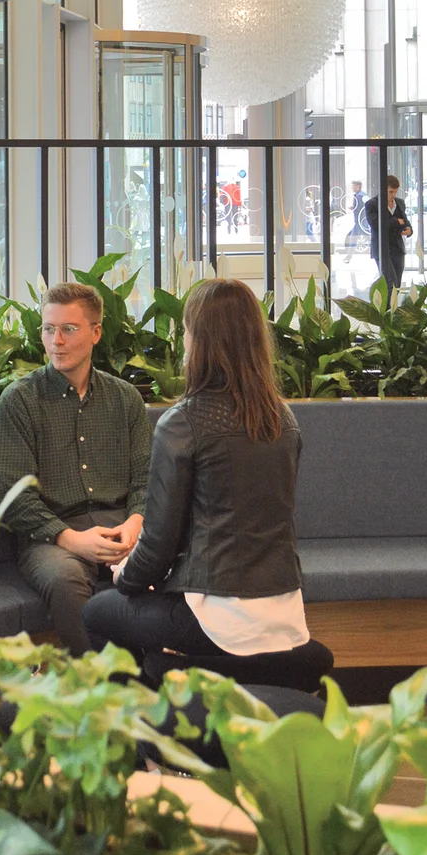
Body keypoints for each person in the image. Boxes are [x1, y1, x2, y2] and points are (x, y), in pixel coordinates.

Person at [83, 277, 333, 694]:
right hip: (285, 613)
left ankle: (145, 739)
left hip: (218, 619)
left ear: (200, 339)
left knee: (98, 612)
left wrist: (124, 579)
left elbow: (159, 544)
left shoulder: (184, 422)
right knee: (149, 633)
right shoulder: (282, 419)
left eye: (186, 330)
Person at [0, 281, 152, 654]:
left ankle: (158, 682)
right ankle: (100, 688)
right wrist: (73, 539)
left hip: (122, 528)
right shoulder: (19, 401)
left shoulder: (124, 398)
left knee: (167, 565)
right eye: (49, 329)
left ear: (95, 333)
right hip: (51, 538)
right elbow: (15, 498)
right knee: (65, 579)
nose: (56, 341)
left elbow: (147, 478)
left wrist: (134, 524)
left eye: (68, 329)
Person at [365, 174, 414, 289]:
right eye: (390, 192)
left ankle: (392, 307)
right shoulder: (372, 204)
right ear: (383, 190)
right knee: (390, 282)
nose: (393, 195)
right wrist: (396, 222)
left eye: (395, 192)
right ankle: (387, 307)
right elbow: (376, 225)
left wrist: (409, 230)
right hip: (382, 249)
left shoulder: (400, 203)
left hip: (398, 248)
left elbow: (405, 222)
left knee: (397, 284)